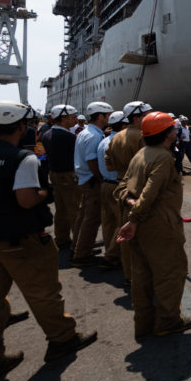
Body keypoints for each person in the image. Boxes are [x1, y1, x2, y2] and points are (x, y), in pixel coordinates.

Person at [0, 101, 96, 381]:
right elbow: (26, 199)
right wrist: (43, 193)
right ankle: (62, 339)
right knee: (43, 292)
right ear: (20, 126)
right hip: (20, 238)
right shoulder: (21, 158)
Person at [115, 112, 191, 339]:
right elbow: (149, 195)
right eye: (173, 129)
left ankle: (143, 324)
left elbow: (121, 187)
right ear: (168, 134)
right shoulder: (163, 158)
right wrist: (134, 218)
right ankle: (168, 321)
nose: (176, 131)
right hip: (159, 225)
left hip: (140, 225)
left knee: (141, 276)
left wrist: (129, 203)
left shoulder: (140, 154)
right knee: (170, 273)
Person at [104, 100, 152, 288]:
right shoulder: (142, 137)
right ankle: (140, 276)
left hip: (122, 187)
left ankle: (128, 274)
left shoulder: (115, 137)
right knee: (143, 235)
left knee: (125, 233)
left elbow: (109, 163)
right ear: (137, 117)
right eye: (146, 115)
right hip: (139, 190)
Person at [71, 101, 113, 267]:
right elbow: (92, 160)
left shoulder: (87, 132)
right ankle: (81, 256)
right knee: (92, 219)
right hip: (91, 180)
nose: (109, 118)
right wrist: (101, 178)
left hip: (83, 178)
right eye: (108, 115)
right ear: (101, 116)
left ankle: (79, 248)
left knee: (83, 217)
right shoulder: (94, 136)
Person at [44, 104, 80, 250]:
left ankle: (62, 238)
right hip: (69, 176)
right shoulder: (68, 137)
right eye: (73, 117)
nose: (76, 120)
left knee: (61, 210)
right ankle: (80, 244)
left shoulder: (47, 134)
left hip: (54, 175)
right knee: (75, 210)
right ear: (63, 119)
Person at [95, 111, 126, 271]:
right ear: (123, 125)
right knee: (123, 222)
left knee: (108, 223)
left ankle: (111, 252)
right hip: (116, 186)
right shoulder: (118, 142)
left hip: (105, 184)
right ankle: (111, 256)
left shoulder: (103, 141)